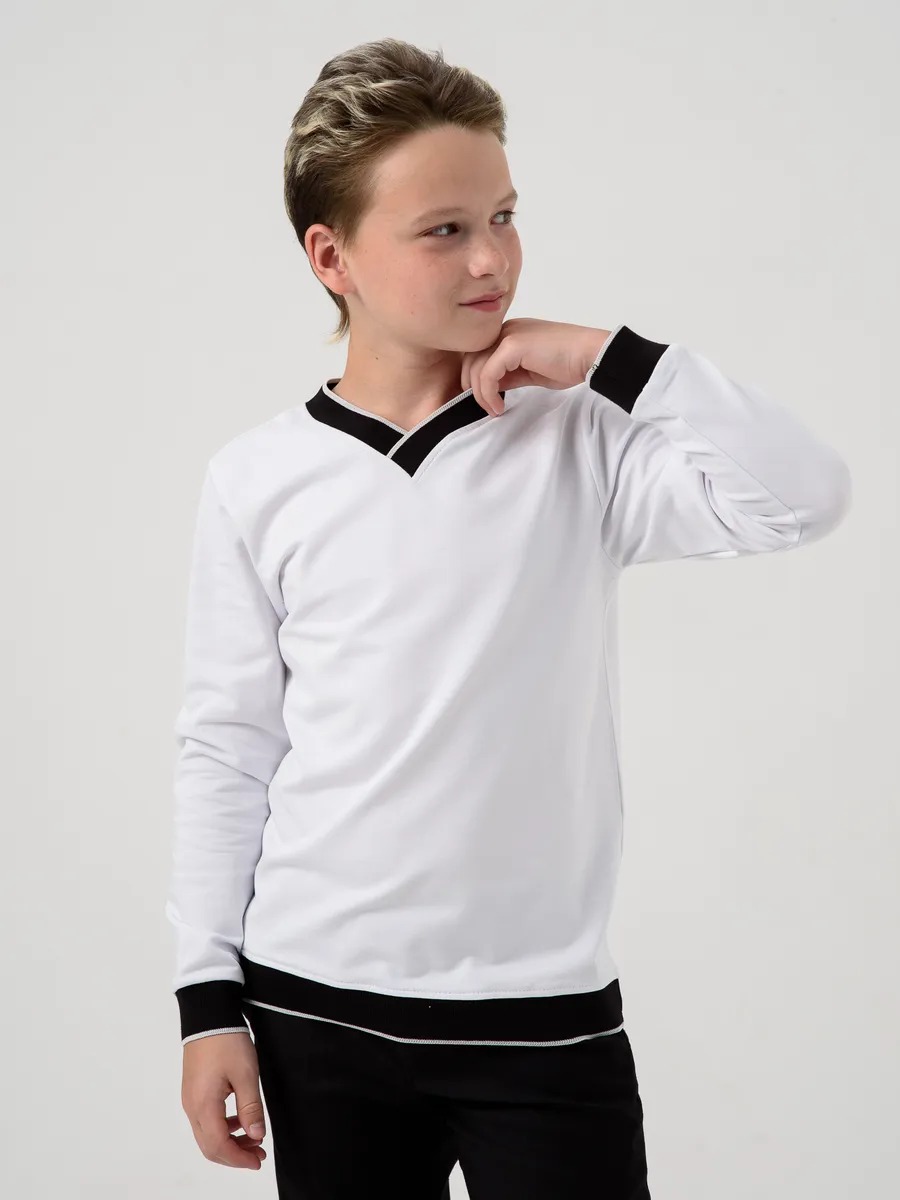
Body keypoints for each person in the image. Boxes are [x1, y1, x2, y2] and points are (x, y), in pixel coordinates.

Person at [166, 37, 852, 1200]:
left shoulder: (579, 441)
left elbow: (804, 496)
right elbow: (228, 748)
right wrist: (207, 1002)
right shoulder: (257, 479)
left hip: (541, 1016)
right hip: (315, 1013)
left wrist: (605, 358)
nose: (492, 258)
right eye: (443, 229)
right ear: (332, 257)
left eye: (504, 216)